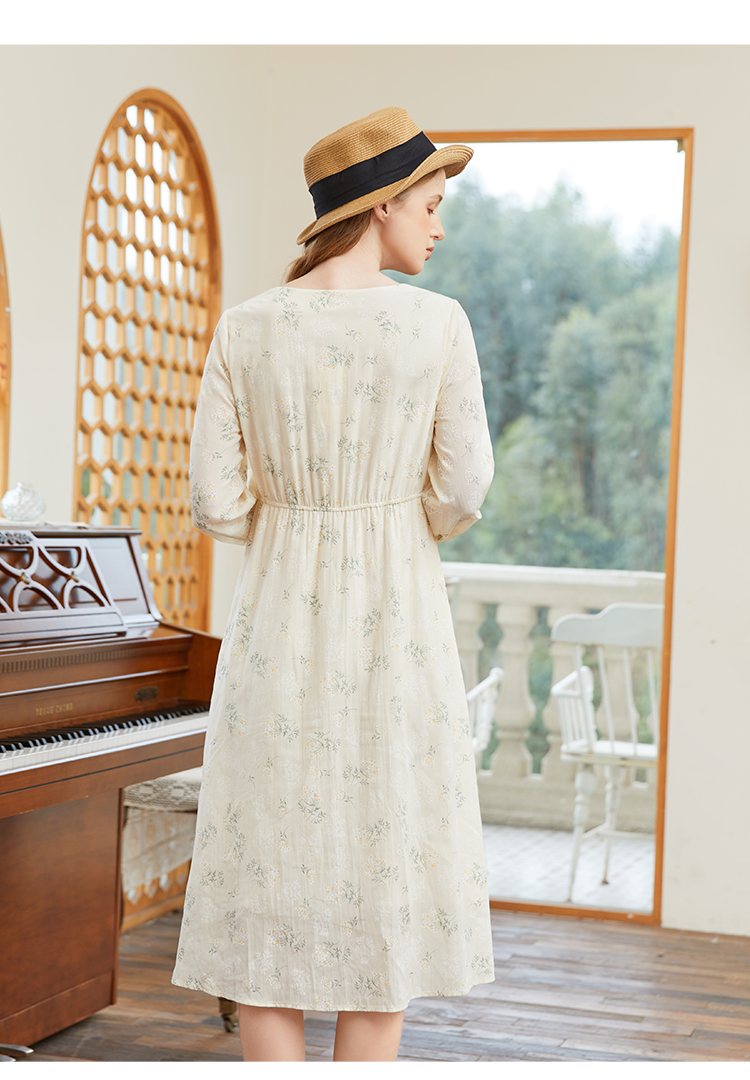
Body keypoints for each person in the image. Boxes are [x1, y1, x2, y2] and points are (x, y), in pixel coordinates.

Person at [171, 106, 496, 1062]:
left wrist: (297, 521)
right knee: (386, 878)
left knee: (268, 880)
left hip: (277, 621)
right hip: (399, 622)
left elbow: (216, 502)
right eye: (431, 206)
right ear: (382, 204)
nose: (439, 227)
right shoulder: (436, 325)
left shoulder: (246, 328)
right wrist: (389, 519)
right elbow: (464, 488)